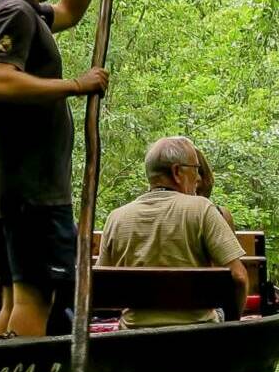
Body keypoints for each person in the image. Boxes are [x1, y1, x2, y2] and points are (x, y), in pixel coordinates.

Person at [0, 0, 127, 338]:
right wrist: (76, 85)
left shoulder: (9, 11)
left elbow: (69, 10)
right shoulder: (15, 16)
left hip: (11, 190)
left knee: (15, 300)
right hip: (32, 193)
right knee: (33, 300)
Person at [97, 136, 252, 328]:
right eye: (195, 169)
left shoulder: (116, 217)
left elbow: (101, 286)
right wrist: (232, 325)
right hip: (198, 332)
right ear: (177, 172)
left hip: (134, 336)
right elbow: (239, 277)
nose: (198, 178)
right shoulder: (202, 209)